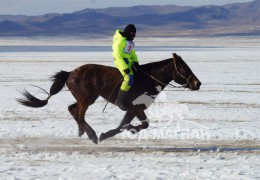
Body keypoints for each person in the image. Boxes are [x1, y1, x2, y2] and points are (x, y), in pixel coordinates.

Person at [112, 24, 139, 110]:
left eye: (134, 35)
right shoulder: (119, 41)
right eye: (132, 34)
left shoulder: (128, 41)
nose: (133, 37)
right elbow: (117, 56)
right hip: (121, 62)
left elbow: (132, 53)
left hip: (129, 62)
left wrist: (135, 62)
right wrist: (124, 68)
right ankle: (119, 101)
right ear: (128, 33)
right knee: (129, 78)